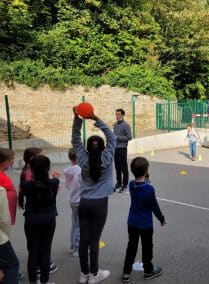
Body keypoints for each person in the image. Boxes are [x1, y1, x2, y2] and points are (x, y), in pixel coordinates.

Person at [72, 107, 116, 284]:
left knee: (84, 239)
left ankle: (84, 274)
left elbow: (75, 139)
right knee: (94, 240)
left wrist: (78, 119)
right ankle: (94, 274)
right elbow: (112, 137)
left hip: (84, 203)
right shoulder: (107, 157)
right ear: (103, 147)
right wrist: (96, 118)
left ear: (87, 148)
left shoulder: (82, 158)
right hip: (100, 204)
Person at [121, 157, 166, 283]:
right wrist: (161, 219)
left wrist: (145, 177)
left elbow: (140, 183)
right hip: (145, 224)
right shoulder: (149, 189)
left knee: (131, 247)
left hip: (132, 222)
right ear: (146, 171)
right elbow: (154, 206)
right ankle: (148, 270)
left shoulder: (131, 184)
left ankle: (126, 273)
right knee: (147, 248)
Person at [20, 155, 60, 284]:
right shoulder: (54, 183)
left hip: (31, 220)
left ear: (32, 169)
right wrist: (56, 177)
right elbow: (53, 194)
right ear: (47, 168)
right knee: (45, 250)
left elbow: (25, 187)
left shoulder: (26, 185)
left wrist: (28, 176)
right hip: (48, 220)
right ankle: (44, 281)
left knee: (33, 252)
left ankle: (33, 281)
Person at [0, 149, 19, 284]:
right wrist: (5, 235)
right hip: (1, 233)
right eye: (11, 160)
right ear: (5, 162)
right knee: (13, 265)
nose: (13, 162)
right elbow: (4, 220)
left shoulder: (3, 175)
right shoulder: (1, 182)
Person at [63, 148, 81, 257]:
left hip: (72, 200)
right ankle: (76, 248)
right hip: (79, 201)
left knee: (74, 224)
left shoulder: (68, 170)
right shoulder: (79, 170)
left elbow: (67, 186)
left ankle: (72, 245)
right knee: (79, 225)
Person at [113, 108, 132, 193]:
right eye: (116, 114)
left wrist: (118, 137)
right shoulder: (115, 125)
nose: (117, 116)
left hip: (122, 149)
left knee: (124, 167)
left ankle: (125, 185)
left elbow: (129, 137)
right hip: (115, 149)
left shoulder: (126, 125)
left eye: (118, 114)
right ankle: (118, 183)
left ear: (122, 115)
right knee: (117, 167)